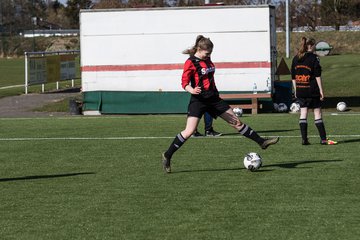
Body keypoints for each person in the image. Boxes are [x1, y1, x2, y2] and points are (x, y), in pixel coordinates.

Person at [161, 35, 279, 173]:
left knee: (237, 122)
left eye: (210, 53)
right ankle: (167, 155)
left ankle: (262, 142)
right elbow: (184, 83)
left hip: (214, 99)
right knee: (189, 131)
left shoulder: (207, 58)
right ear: (199, 49)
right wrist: (192, 89)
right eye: (207, 53)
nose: (209, 56)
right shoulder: (190, 62)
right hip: (199, 100)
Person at [291, 37, 337, 146]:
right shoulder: (314, 58)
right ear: (310, 46)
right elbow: (317, 76)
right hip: (312, 90)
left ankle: (304, 139)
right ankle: (323, 139)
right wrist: (321, 91)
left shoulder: (295, 58)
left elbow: (293, 77)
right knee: (317, 113)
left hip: (301, 90)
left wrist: (296, 90)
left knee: (303, 113)